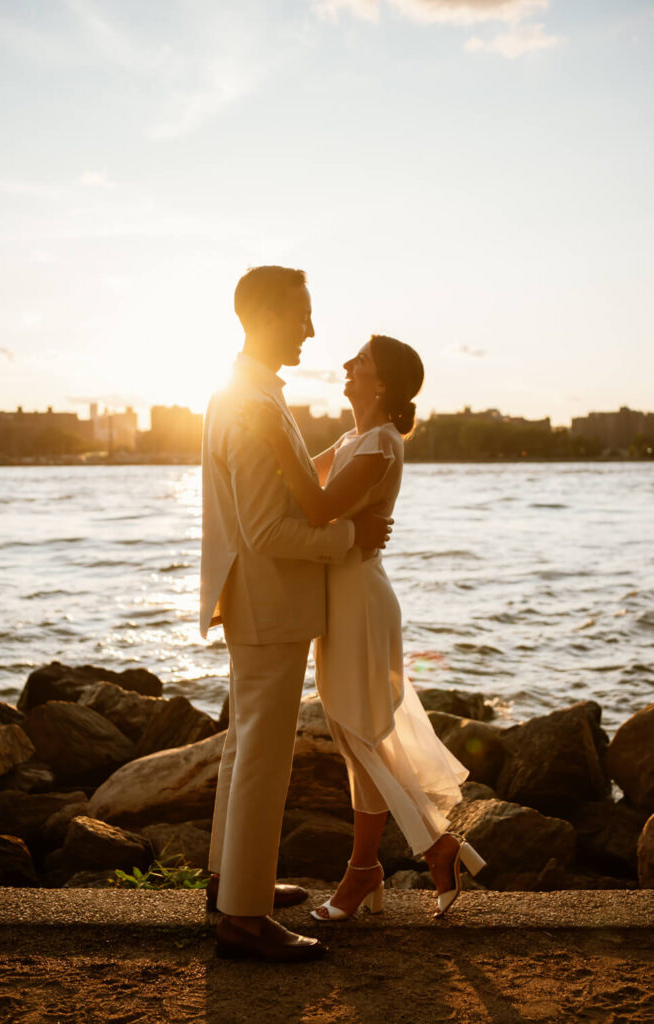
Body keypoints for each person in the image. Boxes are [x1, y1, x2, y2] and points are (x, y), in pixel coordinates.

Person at [243, 334, 486, 922]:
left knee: (358, 732)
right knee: (359, 739)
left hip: (363, 603)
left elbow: (321, 508)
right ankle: (389, 864)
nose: (348, 365)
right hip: (341, 601)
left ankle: (408, 858)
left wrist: (276, 435)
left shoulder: (381, 443)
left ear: (382, 384)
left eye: (362, 361)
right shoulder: (354, 439)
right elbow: (298, 491)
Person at [199, 266, 392, 962]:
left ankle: (230, 882)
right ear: (262, 317)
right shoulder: (250, 400)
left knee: (241, 746)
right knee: (262, 760)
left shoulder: (248, 392)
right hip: (268, 602)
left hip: (255, 600)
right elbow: (266, 530)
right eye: (300, 314)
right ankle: (243, 922)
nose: (310, 328)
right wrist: (349, 537)